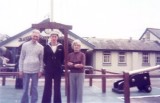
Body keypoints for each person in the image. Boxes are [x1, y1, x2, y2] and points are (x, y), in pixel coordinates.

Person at [19, 29, 44, 103]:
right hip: (25, 70)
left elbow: (41, 60)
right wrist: (20, 69)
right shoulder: (25, 45)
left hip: (36, 71)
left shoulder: (41, 47)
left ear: (39, 37)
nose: (35, 37)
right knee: (25, 88)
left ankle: (34, 101)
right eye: (34, 36)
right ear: (31, 36)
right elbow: (21, 57)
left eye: (37, 36)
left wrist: (40, 70)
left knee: (34, 88)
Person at [42, 31, 64, 103]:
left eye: (55, 36)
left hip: (58, 70)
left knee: (57, 87)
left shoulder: (61, 46)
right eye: (52, 36)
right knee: (47, 86)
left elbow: (62, 58)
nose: (54, 38)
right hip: (49, 69)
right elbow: (44, 58)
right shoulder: (46, 47)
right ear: (50, 37)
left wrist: (58, 64)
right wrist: (49, 64)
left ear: (57, 38)